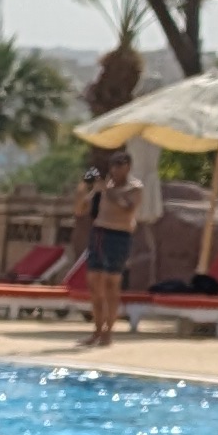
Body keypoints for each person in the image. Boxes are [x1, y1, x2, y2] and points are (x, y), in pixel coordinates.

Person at [78, 146, 147, 347]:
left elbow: (128, 208)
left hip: (119, 236)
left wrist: (108, 191)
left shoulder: (135, 188)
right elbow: (82, 208)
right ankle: (97, 330)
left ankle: (108, 332)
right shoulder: (103, 186)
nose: (115, 169)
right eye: (113, 165)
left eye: (120, 165)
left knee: (111, 283)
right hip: (99, 233)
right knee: (94, 281)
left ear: (128, 167)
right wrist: (85, 189)